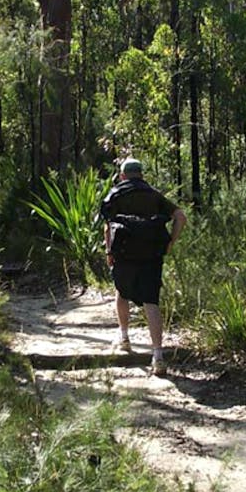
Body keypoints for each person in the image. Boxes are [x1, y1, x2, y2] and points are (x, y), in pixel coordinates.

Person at [100, 158, 187, 376]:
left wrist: (109, 251)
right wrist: (170, 242)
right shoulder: (154, 195)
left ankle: (125, 337)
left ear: (122, 176)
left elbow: (108, 226)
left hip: (124, 253)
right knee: (151, 301)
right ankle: (157, 356)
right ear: (141, 174)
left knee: (122, 292)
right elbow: (180, 216)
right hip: (151, 255)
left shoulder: (115, 194)